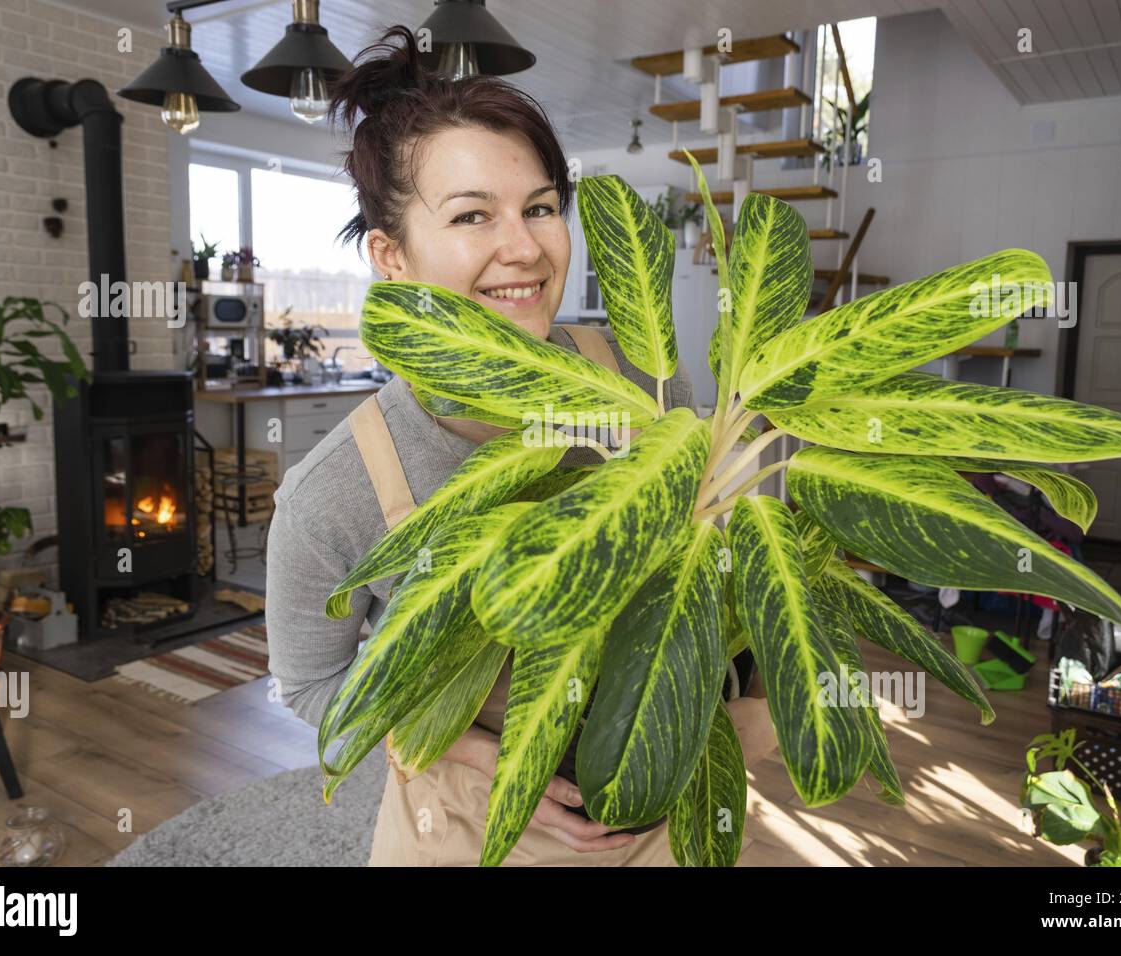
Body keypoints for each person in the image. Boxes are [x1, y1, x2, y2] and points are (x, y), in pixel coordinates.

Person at [265, 24, 778, 867]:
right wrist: (488, 754)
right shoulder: (338, 489)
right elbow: (314, 686)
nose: (526, 248)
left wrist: (748, 697)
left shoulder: (650, 383)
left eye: (540, 207)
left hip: (670, 808)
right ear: (392, 257)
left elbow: (725, 567)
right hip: (471, 828)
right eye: (473, 216)